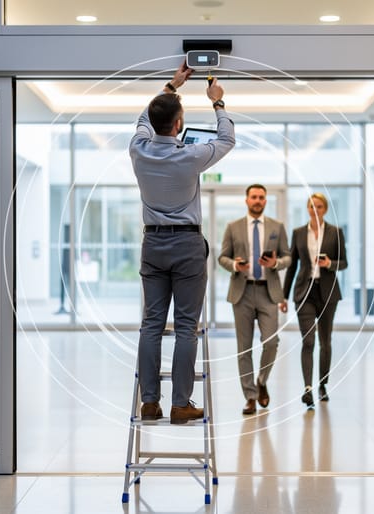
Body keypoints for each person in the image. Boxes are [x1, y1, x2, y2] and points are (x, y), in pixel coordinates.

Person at [129, 61, 235, 425]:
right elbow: (227, 139)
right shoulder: (191, 155)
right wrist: (217, 101)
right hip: (187, 245)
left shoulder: (138, 149)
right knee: (186, 326)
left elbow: (144, 119)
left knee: (151, 324)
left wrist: (171, 87)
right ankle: (180, 404)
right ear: (178, 126)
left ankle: (149, 402)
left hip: (152, 244)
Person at [218, 184, 291, 415]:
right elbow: (222, 257)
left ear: (265, 201)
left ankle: (261, 381)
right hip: (242, 292)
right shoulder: (233, 227)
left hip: (268, 292)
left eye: (261, 197)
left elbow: (288, 257)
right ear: (246, 200)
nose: (257, 200)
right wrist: (235, 265)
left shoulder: (277, 227)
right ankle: (250, 396)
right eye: (254, 197)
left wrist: (276, 263)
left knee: (271, 342)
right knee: (244, 349)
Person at [281, 192, 348, 408]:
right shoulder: (298, 233)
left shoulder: (335, 232)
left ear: (325, 209)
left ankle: (323, 384)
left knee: (325, 342)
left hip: (328, 292)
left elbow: (344, 263)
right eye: (312, 206)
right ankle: (307, 389)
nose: (315, 210)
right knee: (308, 341)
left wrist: (330, 264)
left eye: (319, 206)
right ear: (307, 209)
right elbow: (292, 266)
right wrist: (284, 296)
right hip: (305, 292)